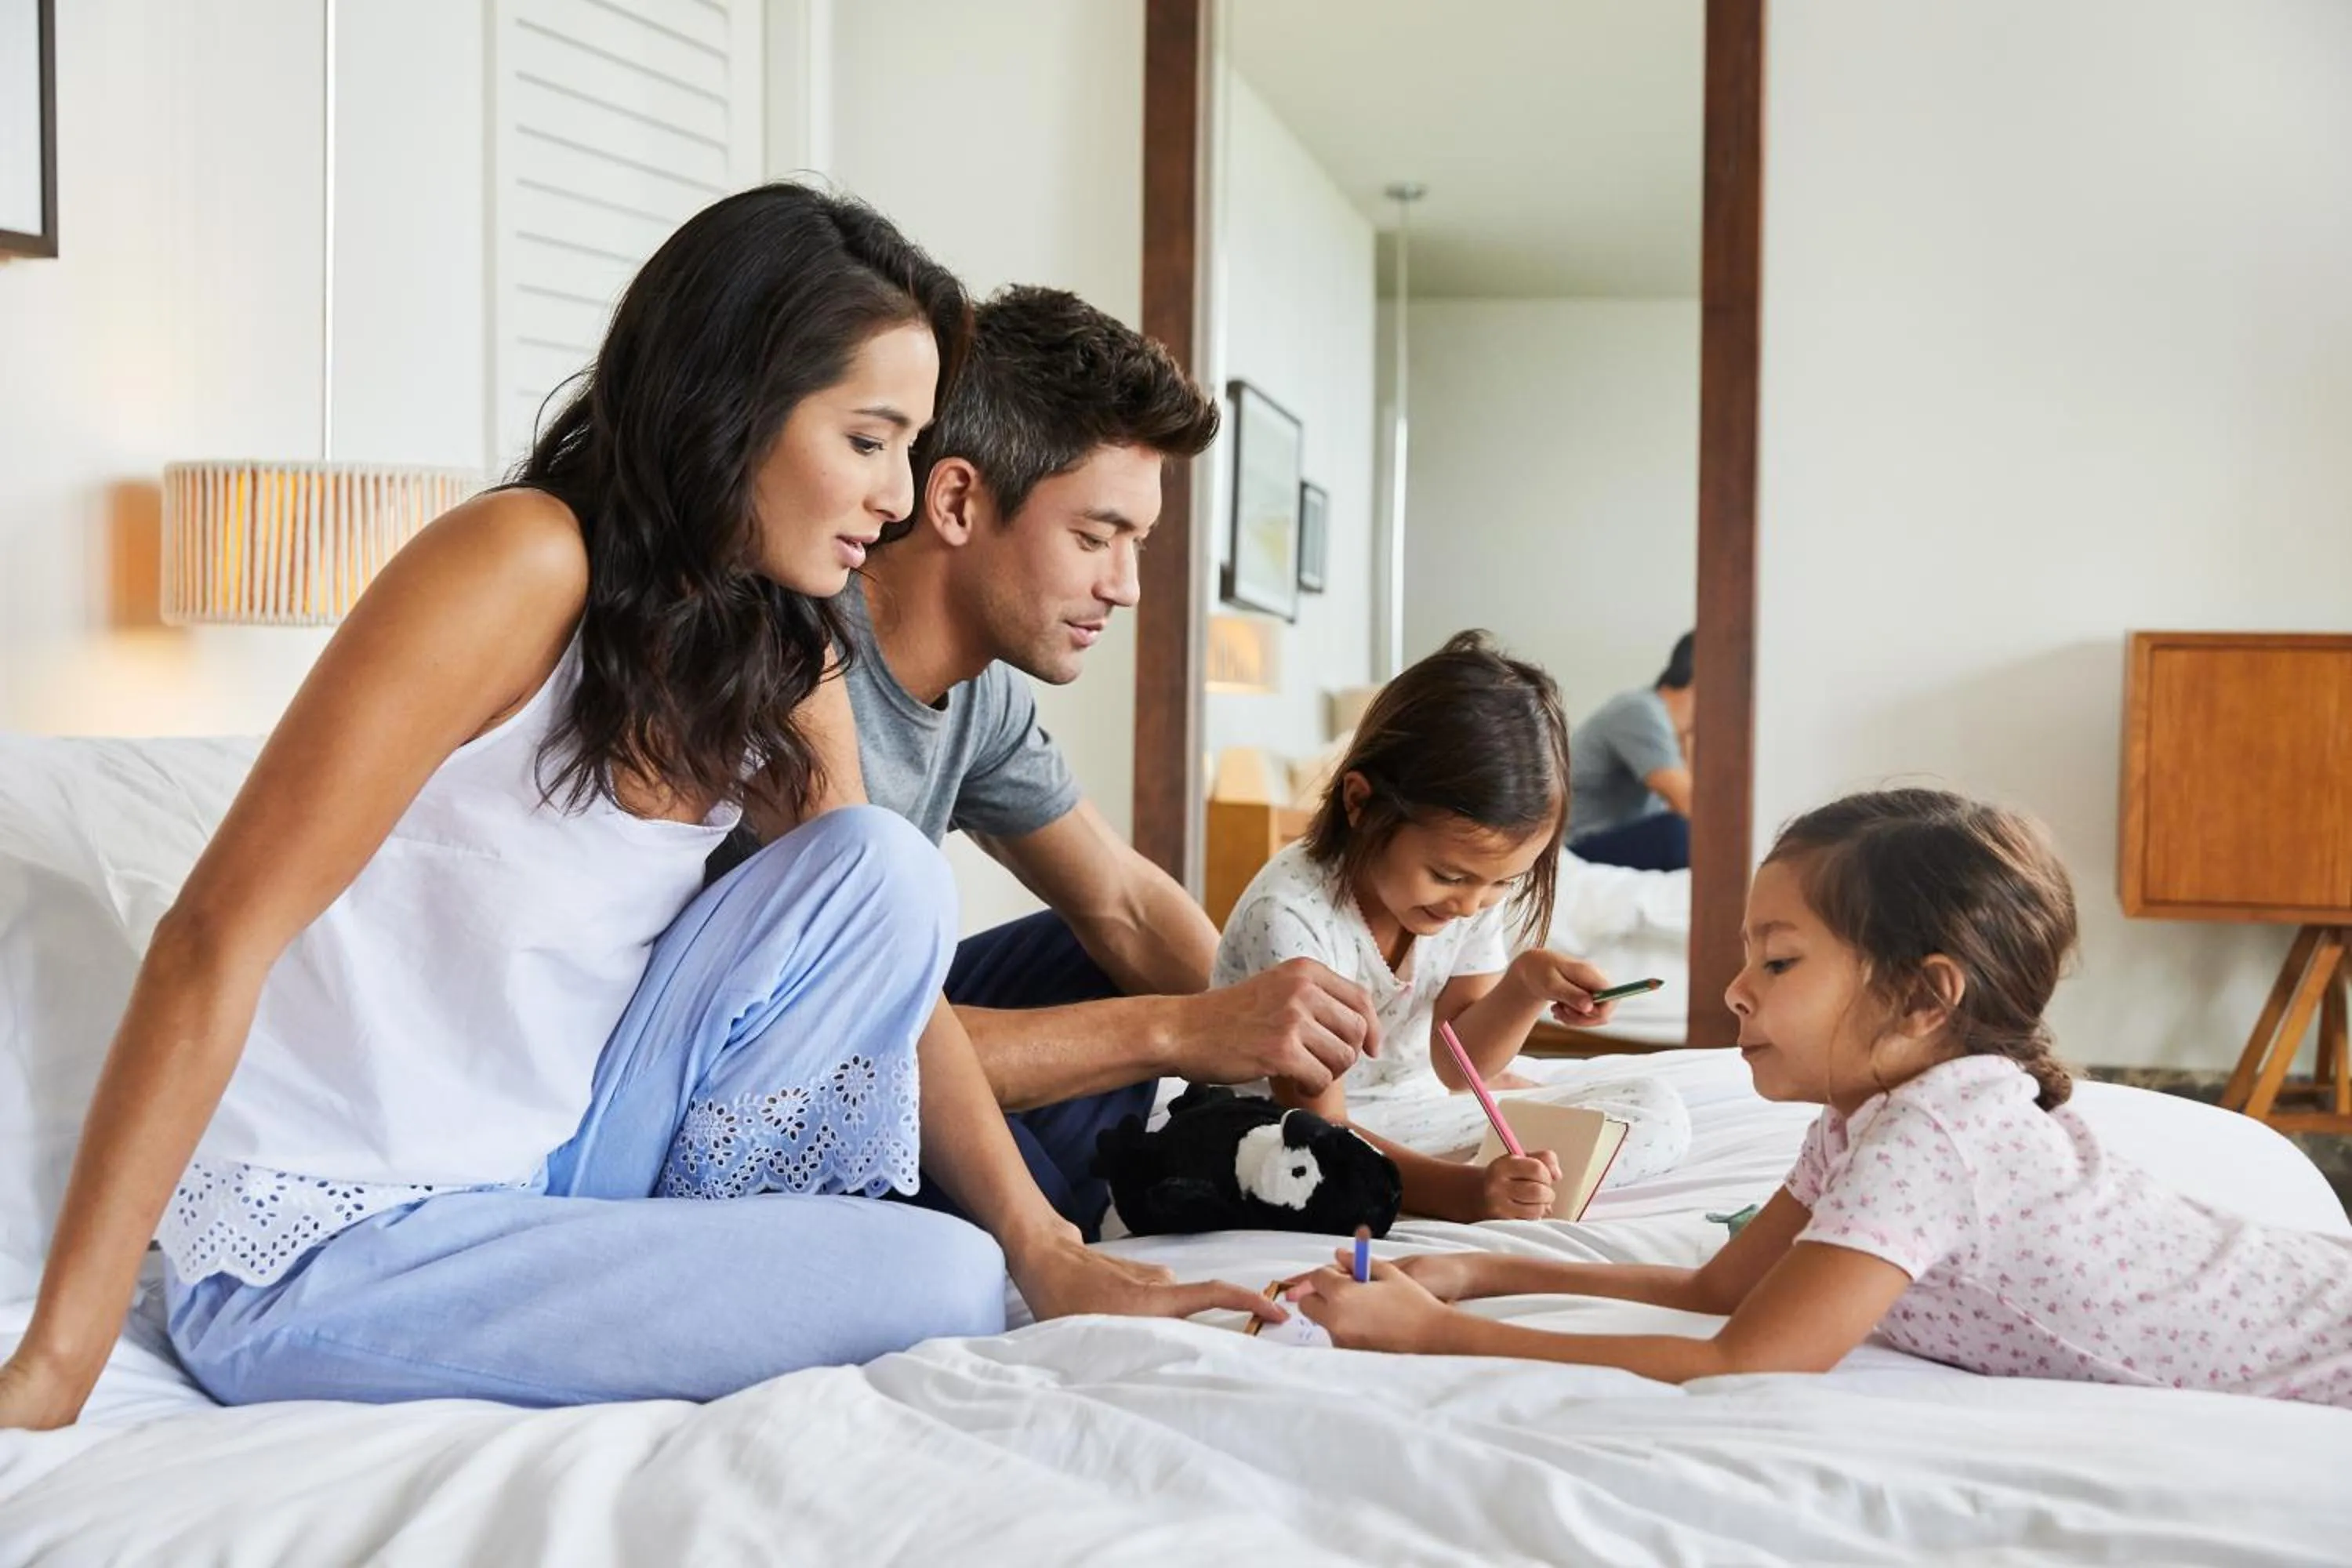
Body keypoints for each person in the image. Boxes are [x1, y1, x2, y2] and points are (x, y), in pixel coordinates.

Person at [0, 184, 1276, 1429]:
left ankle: (709, 1262)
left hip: (557, 1177)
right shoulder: (516, 562)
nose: (896, 499)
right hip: (336, 1238)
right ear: (737, 405)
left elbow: (892, 991)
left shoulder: (783, 640)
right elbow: (215, 933)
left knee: (883, 870)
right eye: (868, 440)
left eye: (911, 447)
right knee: (939, 1276)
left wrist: (1045, 1247)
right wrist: (57, 1363)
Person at [1282, 789, 2352, 1409]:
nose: (1737, 990)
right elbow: (1721, 1293)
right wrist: (1477, 1269)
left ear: (1927, 996)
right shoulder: (1864, 1118)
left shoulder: (1937, 1131)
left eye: (1780, 964)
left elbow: (1742, 1359)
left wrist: (1435, 1336)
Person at [710, 285, 1381, 1240]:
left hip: (856, 1038)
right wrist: (1182, 1031)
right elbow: (842, 1032)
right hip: (754, 1074)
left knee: (1104, 947)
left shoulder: (980, 691)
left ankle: (1134, 1176)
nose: (1128, 585)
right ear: (956, 500)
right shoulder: (789, 654)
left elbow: (1125, 901)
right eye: (1094, 536)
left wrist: (1296, 1069)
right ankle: (1086, 1199)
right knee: (1026, 1150)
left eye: (1136, 542)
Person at [1211, 632, 1690, 1223]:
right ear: (1360, 804)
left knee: (1656, 1106)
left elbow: (1460, 1066)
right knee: (1310, 1165)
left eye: (1500, 884)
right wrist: (1465, 1195)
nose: (1470, 905)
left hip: (1414, 1105)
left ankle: (1487, 1175)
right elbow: (1318, 1129)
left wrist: (1526, 986)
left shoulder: (1471, 897)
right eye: (1447, 875)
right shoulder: (1290, 914)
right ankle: (1454, 1181)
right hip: (1296, 1133)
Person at [1566, 630, 1694, 871]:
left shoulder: (1673, 729)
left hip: (1614, 837)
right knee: (1679, 835)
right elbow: (1688, 804)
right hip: (1579, 844)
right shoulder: (1641, 711)